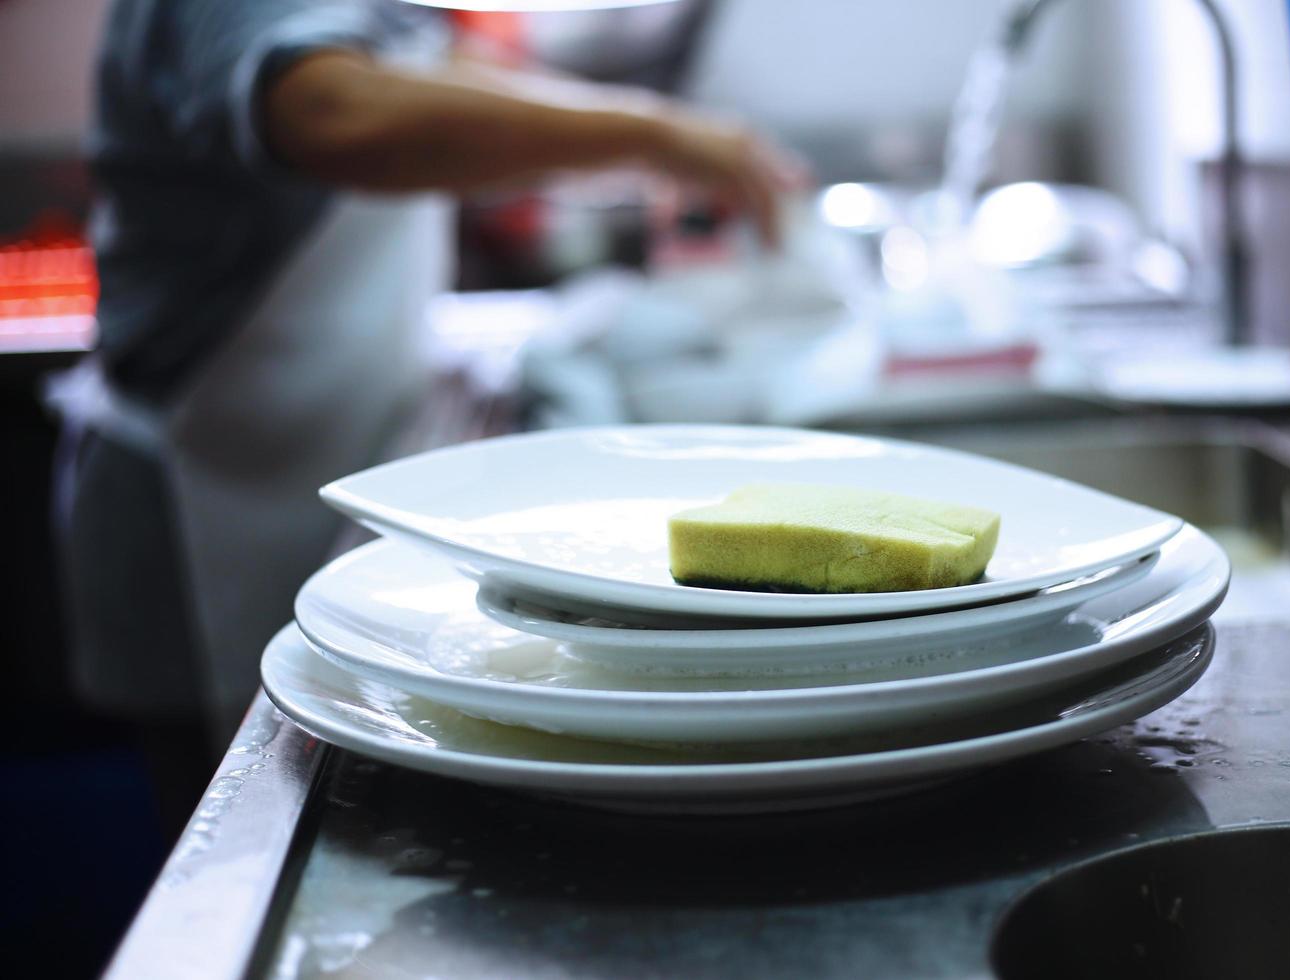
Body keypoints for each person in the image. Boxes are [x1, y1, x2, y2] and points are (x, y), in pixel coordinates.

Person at [52, 0, 797, 821]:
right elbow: (331, 112)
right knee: (235, 826)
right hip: (201, 492)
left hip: (323, 451)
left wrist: (652, 139)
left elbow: (437, 68)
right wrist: (654, 135)